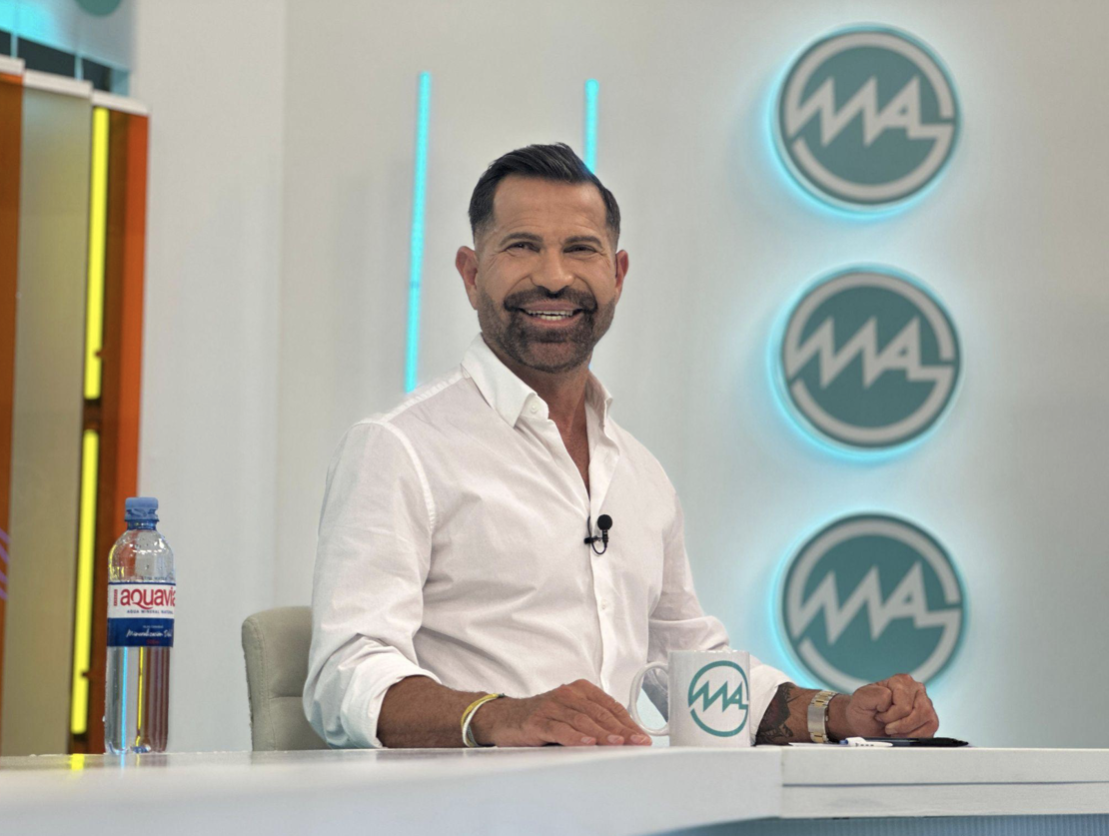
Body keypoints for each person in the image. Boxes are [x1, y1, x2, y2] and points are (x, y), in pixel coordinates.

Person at [303, 143, 940, 749]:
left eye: (580, 249)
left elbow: (694, 669)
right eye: (522, 247)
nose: (554, 277)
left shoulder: (638, 472)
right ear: (471, 275)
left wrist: (838, 714)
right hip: (467, 806)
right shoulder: (399, 448)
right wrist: (502, 716)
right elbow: (345, 675)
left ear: (617, 274)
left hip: (631, 802)